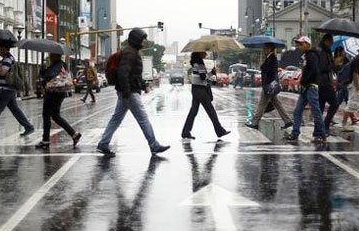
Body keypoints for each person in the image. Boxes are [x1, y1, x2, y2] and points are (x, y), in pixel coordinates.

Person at [97, 28, 170, 157]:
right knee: (143, 118)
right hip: (129, 92)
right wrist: (126, 92)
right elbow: (123, 74)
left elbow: (134, 75)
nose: (144, 41)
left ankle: (103, 143)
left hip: (127, 91)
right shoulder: (130, 53)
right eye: (143, 38)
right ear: (136, 39)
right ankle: (153, 144)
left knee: (116, 118)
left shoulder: (132, 52)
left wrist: (143, 86)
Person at [0, 45, 34, 141]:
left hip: (4, 89)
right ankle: (28, 127)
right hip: (8, 89)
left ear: (5, 49)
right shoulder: (8, 59)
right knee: (15, 110)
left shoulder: (7, 59)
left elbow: (3, 72)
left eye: (0, 49)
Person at [35, 53, 81, 149]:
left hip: (53, 93)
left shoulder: (57, 65)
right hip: (59, 93)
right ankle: (74, 134)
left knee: (46, 115)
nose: (50, 56)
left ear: (57, 56)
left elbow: (49, 76)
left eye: (52, 55)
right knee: (55, 116)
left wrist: (43, 72)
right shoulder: (61, 65)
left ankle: (45, 141)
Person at [181, 51, 231, 140]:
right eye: (204, 52)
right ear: (199, 53)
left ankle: (185, 132)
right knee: (211, 111)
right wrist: (212, 72)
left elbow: (202, 79)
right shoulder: (199, 63)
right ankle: (219, 131)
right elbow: (203, 77)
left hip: (196, 89)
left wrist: (214, 82)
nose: (206, 53)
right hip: (200, 91)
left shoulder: (196, 62)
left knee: (193, 112)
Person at [286, 36, 326, 143]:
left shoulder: (312, 55)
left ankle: (321, 134)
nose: (300, 46)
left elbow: (313, 70)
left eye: (301, 44)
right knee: (297, 111)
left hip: (311, 86)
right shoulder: (306, 56)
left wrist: (304, 80)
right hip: (305, 87)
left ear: (308, 44)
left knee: (316, 111)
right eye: (299, 44)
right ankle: (295, 133)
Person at [245, 43, 292, 130]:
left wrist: (263, 67)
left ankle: (254, 122)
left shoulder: (272, 58)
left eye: (265, 48)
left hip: (268, 85)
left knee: (261, 105)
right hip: (269, 85)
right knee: (277, 104)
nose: (263, 50)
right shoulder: (269, 58)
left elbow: (271, 70)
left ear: (269, 49)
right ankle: (288, 121)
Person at [315, 34, 339, 135]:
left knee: (320, 107)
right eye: (330, 42)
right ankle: (325, 125)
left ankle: (318, 129)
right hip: (323, 82)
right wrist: (332, 65)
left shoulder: (326, 51)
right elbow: (322, 67)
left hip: (323, 82)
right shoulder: (321, 51)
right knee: (334, 103)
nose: (331, 44)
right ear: (326, 41)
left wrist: (335, 64)